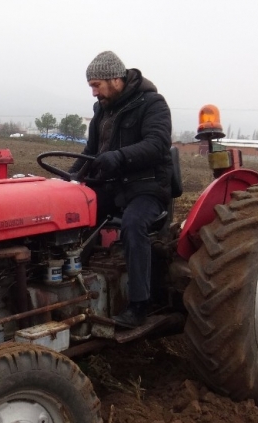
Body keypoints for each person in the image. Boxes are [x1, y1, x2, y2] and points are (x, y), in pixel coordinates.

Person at [69, 50, 173, 328]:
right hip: (113, 187)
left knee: (133, 224)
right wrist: (69, 180)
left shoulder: (152, 104)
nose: (93, 93)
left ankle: (140, 305)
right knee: (74, 214)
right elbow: (91, 152)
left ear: (115, 79)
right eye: (91, 86)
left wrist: (120, 157)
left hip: (147, 188)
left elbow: (157, 144)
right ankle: (71, 284)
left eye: (96, 85)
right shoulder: (102, 110)